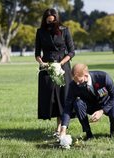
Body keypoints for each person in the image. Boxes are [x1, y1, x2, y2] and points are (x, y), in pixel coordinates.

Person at [35, 8, 75, 136]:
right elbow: (37, 53)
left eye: (53, 21)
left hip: (62, 67)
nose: (50, 24)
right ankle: (59, 126)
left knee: (62, 98)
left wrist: (60, 63)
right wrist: (42, 63)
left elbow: (71, 52)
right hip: (47, 68)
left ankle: (60, 128)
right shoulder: (40, 32)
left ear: (57, 20)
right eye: (48, 22)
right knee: (51, 99)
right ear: (45, 20)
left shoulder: (65, 31)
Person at [60, 63, 114, 139]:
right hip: (90, 105)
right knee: (77, 103)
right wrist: (63, 129)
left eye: (80, 81)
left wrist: (102, 111)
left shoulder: (103, 77)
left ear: (86, 75)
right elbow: (68, 106)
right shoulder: (73, 85)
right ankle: (88, 134)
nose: (77, 84)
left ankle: (113, 131)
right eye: (75, 81)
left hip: (107, 102)